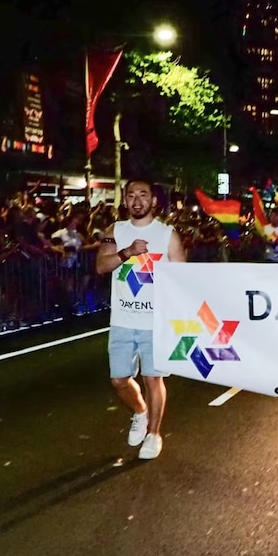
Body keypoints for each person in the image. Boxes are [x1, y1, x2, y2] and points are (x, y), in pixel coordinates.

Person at [95, 179, 185, 460]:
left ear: (153, 201)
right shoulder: (115, 231)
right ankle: (140, 411)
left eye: (143, 195)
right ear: (125, 201)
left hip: (154, 323)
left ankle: (154, 434)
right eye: (131, 195)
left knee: (153, 379)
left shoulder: (168, 235)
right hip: (122, 321)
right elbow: (101, 266)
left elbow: (183, 279)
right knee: (119, 380)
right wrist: (128, 252)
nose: (137, 201)